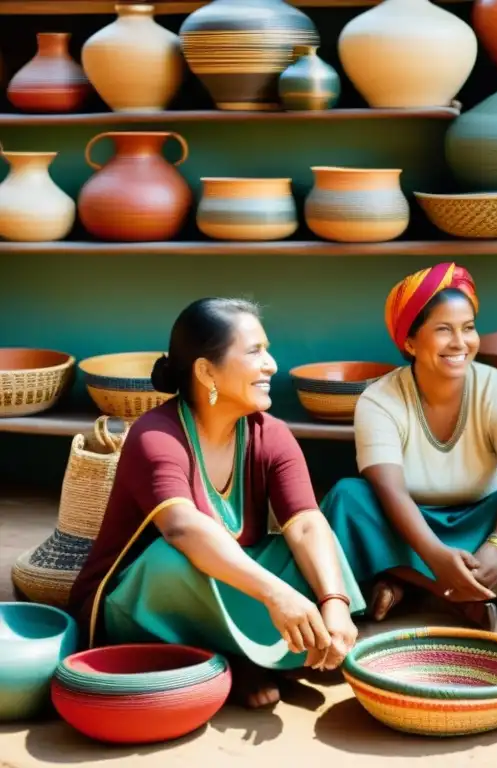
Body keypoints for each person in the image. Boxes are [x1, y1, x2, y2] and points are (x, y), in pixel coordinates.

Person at [68, 298, 367, 710]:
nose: (272, 365)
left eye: (267, 349)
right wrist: (277, 595)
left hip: (231, 582)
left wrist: (335, 602)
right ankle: (241, 658)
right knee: (170, 560)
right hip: (144, 600)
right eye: (254, 352)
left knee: (315, 547)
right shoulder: (155, 435)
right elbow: (183, 528)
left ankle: (272, 647)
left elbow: (305, 523)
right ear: (206, 370)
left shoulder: (271, 434)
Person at [321, 261, 497, 631]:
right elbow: (390, 492)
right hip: (409, 522)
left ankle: (411, 585)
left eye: (469, 328)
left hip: (484, 519)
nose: (460, 343)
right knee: (348, 497)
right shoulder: (379, 400)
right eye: (444, 329)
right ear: (410, 342)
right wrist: (435, 556)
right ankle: (484, 592)